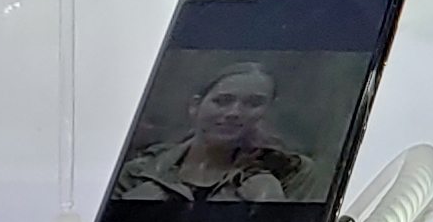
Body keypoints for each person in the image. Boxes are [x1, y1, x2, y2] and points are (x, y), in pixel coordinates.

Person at [112, 61, 316, 203]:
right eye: (222, 101)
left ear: (269, 110)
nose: (234, 113)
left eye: (253, 103)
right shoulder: (139, 172)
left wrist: (271, 205)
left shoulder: (291, 172)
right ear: (195, 106)